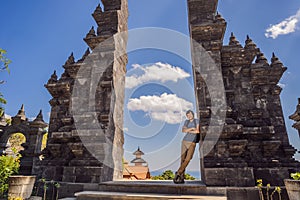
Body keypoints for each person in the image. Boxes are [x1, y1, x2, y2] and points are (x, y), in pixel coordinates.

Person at [173, 110, 200, 184]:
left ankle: (178, 172)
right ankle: (181, 178)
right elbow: (183, 130)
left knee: (188, 159)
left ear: (193, 114)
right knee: (182, 159)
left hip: (192, 142)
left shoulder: (196, 121)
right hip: (184, 141)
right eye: (187, 115)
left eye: (190, 114)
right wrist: (191, 129)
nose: (189, 116)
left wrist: (188, 130)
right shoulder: (186, 122)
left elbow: (197, 131)